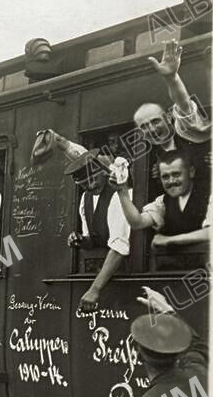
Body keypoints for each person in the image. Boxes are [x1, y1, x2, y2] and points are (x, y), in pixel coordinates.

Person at [131, 39, 210, 180]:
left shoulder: (186, 130)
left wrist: (171, 78)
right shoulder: (156, 155)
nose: (151, 129)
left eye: (155, 121)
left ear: (168, 118)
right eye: (144, 126)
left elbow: (184, 104)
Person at [64, 150, 131, 312]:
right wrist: (81, 240)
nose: (91, 186)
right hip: (105, 275)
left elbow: (119, 247)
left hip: (126, 274)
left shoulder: (121, 193)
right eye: (85, 184)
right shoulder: (85, 199)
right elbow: (93, 240)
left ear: (103, 172)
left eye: (93, 179)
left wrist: (94, 290)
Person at [113, 151, 210, 251]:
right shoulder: (164, 201)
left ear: (191, 172)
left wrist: (168, 240)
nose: (171, 181)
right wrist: (122, 191)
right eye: (165, 177)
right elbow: (137, 222)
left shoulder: (209, 195)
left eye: (176, 174)